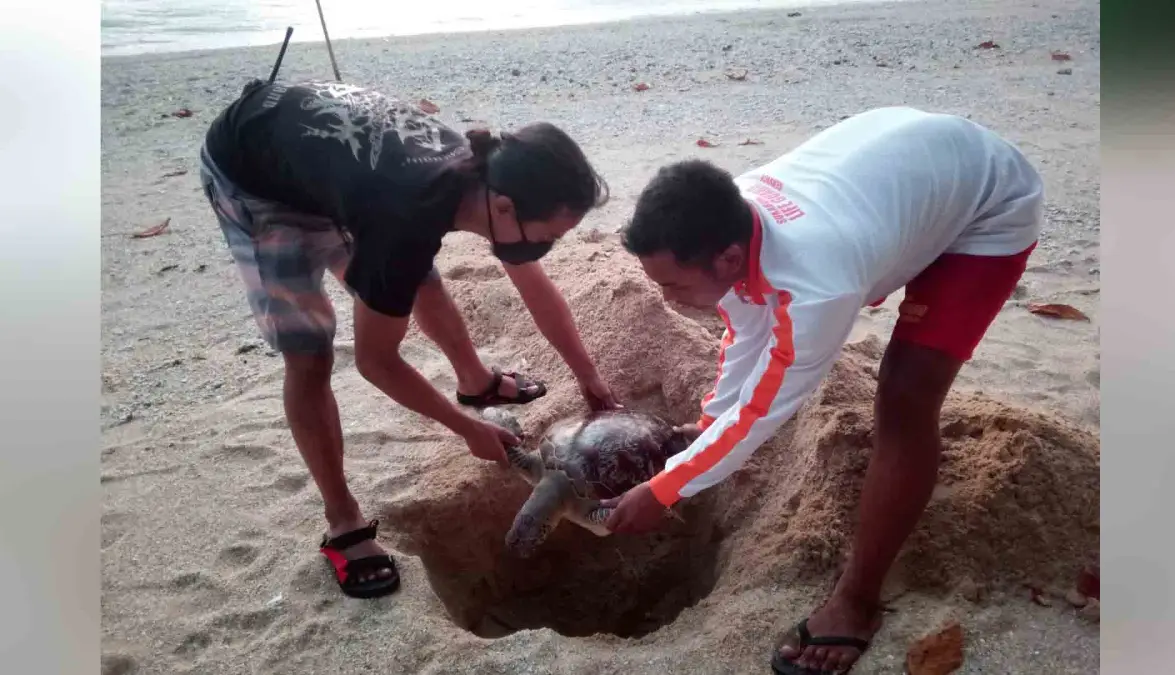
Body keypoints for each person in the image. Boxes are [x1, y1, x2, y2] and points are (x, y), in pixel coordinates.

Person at [607, 106, 1043, 673]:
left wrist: (666, 489)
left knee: (904, 397)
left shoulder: (814, 284)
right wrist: (709, 425)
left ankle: (857, 601)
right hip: (908, 166)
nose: (665, 298)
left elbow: (764, 410)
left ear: (729, 258)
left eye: (672, 283)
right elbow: (747, 333)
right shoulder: (726, 217)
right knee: (763, 373)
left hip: (988, 200)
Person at [199, 79, 618, 600]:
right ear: (504, 207)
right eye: (549, 236)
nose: (548, 249)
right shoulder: (404, 217)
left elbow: (533, 281)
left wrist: (590, 378)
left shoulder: (485, 172)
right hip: (255, 177)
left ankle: (475, 380)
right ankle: (342, 521)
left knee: (421, 280)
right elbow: (376, 362)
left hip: (327, 164)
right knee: (310, 353)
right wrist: (463, 427)